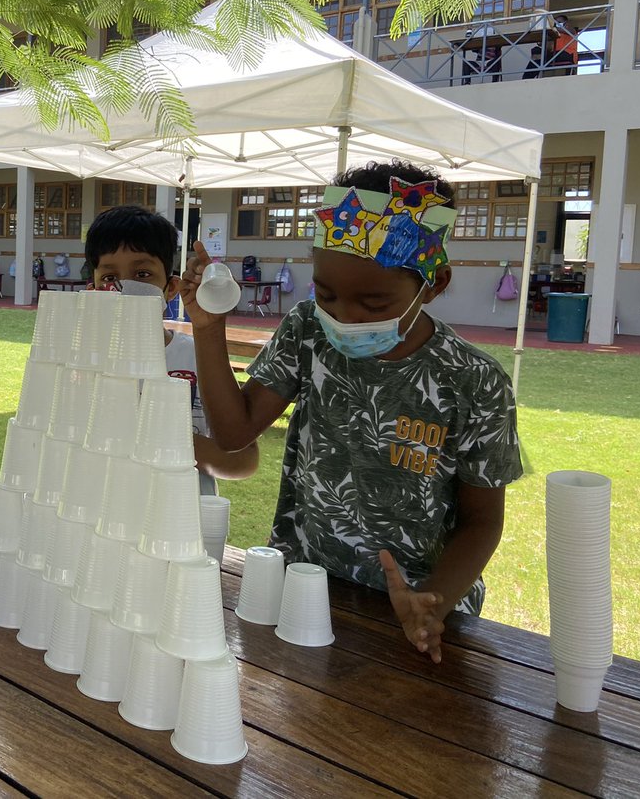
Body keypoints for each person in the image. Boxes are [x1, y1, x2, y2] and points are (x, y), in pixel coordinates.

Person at [180, 161, 522, 663]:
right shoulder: (308, 331)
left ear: (434, 284)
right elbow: (234, 434)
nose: (344, 316)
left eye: (375, 303)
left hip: (421, 613)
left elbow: (482, 521)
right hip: (303, 590)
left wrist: (433, 602)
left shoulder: (474, 381)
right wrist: (209, 329)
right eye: (326, 294)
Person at [84, 204, 258, 493]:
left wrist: (153, 437)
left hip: (185, 513)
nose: (125, 287)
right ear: (93, 291)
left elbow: (243, 460)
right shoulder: (80, 362)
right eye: (110, 278)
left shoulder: (198, 357)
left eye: (142, 274)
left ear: (171, 288)